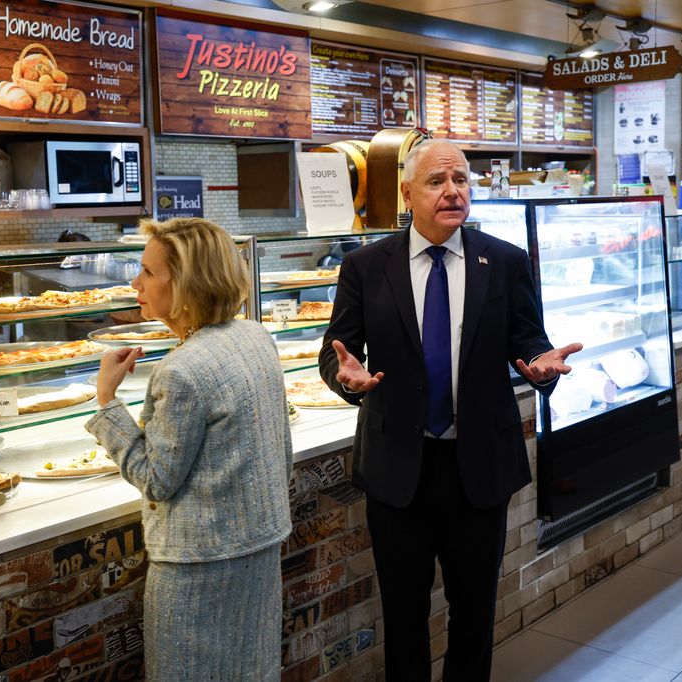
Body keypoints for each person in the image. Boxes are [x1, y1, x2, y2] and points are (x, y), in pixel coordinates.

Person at [318, 139, 582, 682]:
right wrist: (346, 379)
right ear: (408, 192)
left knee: (474, 616)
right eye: (437, 181)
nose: (452, 191)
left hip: (478, 465)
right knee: (404, 616)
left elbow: (530, 339)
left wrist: (540, 364)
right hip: (398, 470)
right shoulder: (366, 267)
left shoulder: (503, 261)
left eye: (461, 180)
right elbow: (337, 352)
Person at [86, 217, 292, 680]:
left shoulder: (181, 370)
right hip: (259, 546)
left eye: (148, 272)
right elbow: (281, 448)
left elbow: (156, 479)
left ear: (184, 283)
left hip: (197, 567)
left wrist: (106, 401)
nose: (135, 283)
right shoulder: (256, 336)